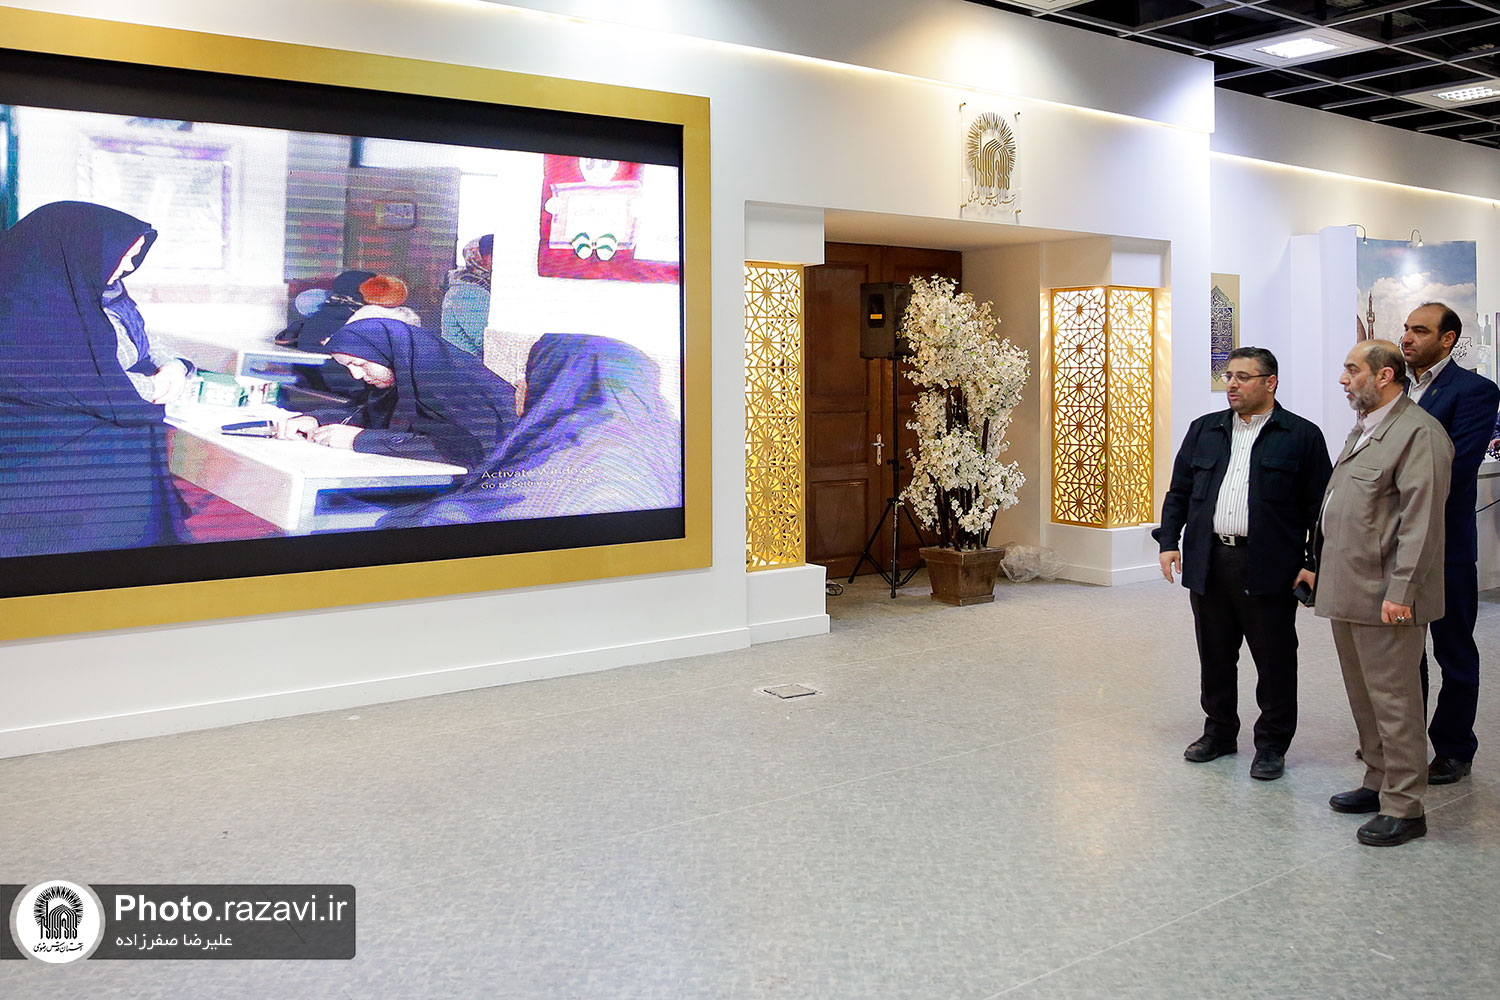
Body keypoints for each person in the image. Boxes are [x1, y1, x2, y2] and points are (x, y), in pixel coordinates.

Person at [1154, 347, 1331, 781]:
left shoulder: (1301, 436)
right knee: (1215, 656)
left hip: (1269, 565)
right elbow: (1179, 491)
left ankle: (1271, 745)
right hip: (1209, 560)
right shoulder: (1205, 430)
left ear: (1270, 382)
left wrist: (1313, 562)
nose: (1231, 385)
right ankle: (1219, 732)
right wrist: (1169, 541)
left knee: (1274, 660)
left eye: (1243, 377)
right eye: (1228, 376)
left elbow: (1321, 508)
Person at [1316, 338, 1451, 847]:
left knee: (1395, 703)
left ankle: (1405, 806)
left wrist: (1403, 591)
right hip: (1349, 588)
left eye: (1352, 369)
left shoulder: (1419, 433)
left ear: (1384, 376)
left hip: (1388, 596)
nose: (1343, 379)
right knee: (1364, 697)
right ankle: (1378, 780)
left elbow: (1421, 524)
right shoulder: (1366, 428)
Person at [0, 200, 188, 558]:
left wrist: (174, 366)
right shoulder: (22, 306)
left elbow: (141, 340)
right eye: (125, 256)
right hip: (50, 478)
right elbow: (81, 380)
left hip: (104, 469)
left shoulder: (99, 291)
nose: (130, 266)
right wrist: (151, 387)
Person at [382, 333, 681, 525]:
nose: (519, 385)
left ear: (556, 386)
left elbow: (480, 520)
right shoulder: (671, 446)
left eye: (530, 376)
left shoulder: (566, 454)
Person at [1401, 302, 1500, 784]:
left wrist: (1386, 485)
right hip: (1396, 543)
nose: (1407, 337)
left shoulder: (1474, 391)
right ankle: (1403, 741)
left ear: (1448, 339)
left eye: (1420, 330)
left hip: (1446, 544)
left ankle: (1455, 748)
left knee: (1453, 650)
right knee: (1402, 652)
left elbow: (1455, 468)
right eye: (1406, 329)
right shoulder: (1395, 389)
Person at [276, 309, 516, 469]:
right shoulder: (403, 375)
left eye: (359, 364)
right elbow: (370, 411)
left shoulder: (444, 381)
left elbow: (468, 449)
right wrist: (315, 419)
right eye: (348, 366)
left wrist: (360, 440)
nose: (356, 375)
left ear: (386, 353)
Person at [440, 234, 493, 356]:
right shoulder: (467, 291)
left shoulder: (480, 286)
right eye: (493, 254)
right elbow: (485, 340)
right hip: (466, 364)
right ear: (478, 258)